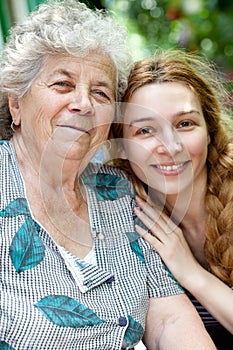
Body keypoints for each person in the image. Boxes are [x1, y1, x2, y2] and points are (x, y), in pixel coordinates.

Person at [0, 0, 217, 348]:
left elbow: (170, 318)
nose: (84, 104)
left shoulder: (117, 191)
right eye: (62, 85)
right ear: (16, 104)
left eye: (100, 92)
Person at [110, 49, 233, 349]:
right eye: (146, 130)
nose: (169, 145)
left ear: (210, 130)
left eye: (185, 124)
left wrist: (189, 271)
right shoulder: (124, 213)